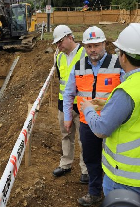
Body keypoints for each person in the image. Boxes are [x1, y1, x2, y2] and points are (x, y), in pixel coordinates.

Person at [80, 23, 140, 201]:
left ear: (123, 56)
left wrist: (89, 109)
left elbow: (101, 129)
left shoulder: (127, 91)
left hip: (124, 175)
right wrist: (108, 104)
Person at [63, 26, 122, 206]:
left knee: (114, 160)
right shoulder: (79, 66)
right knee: (91, 158)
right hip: (87, 122)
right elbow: (68, 93)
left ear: (104, 44)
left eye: (96, 45)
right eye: (89, 46)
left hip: (112, 123)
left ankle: (116, 194)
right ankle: (94, 192)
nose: (93, 50)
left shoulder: (117, 63)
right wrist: (67, 117)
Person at [51, 25, 89, 184]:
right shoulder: (59, 57)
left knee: (84, 138)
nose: (58, 46)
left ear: (70, 37)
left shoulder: (84, 54)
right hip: (64, 104)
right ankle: (65, 164)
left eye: (60, 42)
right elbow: (61, 80)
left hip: (81, 104)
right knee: (66, 135)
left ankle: (86, 169)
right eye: (57, 43)